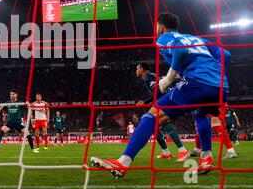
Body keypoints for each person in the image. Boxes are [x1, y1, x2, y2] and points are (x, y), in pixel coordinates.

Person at [91, 12, 231, 178]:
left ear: (160, 27)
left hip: (196, 83)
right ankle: (206, 158)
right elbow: (226, 55)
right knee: (200, 114)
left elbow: (182, 51)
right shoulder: (197, 39)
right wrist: (217, 77)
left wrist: (169, 78)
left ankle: (123, 162)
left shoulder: (164, 38)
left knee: (151, 116)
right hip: (221, 87)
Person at [135, 62, 189, 161]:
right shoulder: (152, 76)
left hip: (168, 99)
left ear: (142, 69)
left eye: (137, 68)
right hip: (170, 97)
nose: (136, 71)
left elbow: (158, 92)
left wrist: (145, 101)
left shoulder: (148, 77)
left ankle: (182, 150)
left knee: (153, 121)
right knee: (154, 125)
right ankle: (166, 152)